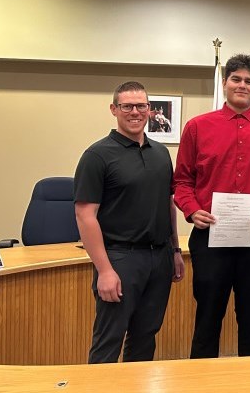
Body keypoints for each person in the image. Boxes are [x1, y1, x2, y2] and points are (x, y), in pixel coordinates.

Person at [173, 54, 250, 358]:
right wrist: (190, 209)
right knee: (207, 320)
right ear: (225, 83)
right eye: (236, 79)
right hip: (211, 238)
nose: (242, 85)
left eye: (249, 81)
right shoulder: (197, 127)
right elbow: (182, 181)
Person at [73, 81, 184, 363]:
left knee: (146, 337)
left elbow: (167, 204)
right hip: (120, 259)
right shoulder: (97, 156)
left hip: (158, 258)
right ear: (114, 109)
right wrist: (105, 270)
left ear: (149, 110)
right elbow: (85, 216)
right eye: (127, 106)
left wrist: (174, 250)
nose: (135, 112)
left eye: (141, 106)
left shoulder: (161, 153)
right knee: (108, 340)